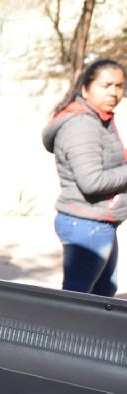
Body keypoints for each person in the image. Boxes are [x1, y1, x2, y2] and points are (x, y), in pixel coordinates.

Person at [42, 59, 126, 296]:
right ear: (86, 88)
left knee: (103, 292)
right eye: (106, 85)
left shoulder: (98, 118)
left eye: (119, 86)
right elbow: (92, 181)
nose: (114, 92)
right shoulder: (81, 124)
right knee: (78, 301)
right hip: (87, 223)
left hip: (97, 220)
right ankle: (58, 335)